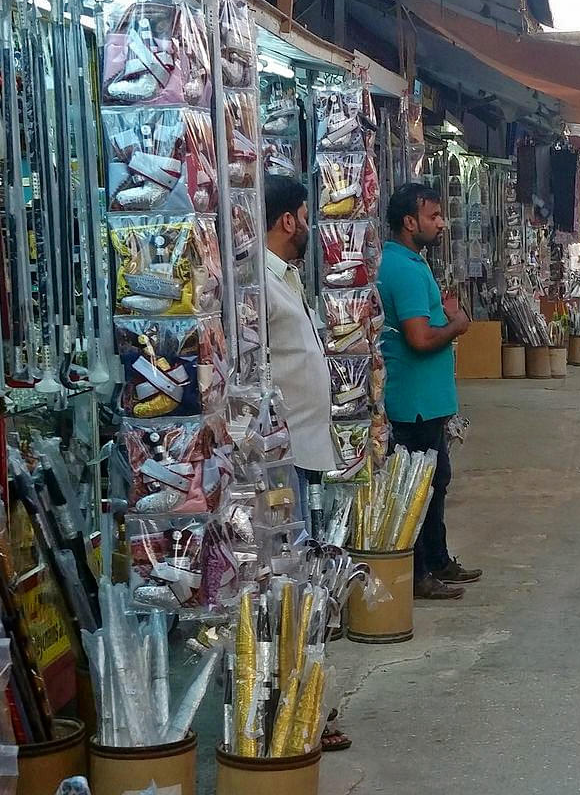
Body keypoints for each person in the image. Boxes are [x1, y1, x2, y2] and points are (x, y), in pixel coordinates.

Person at [262, 176, 350, 752]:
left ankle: (306, 702)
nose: (309, 226)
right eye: (302, 215)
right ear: (289, 220)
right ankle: (291, 710)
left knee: (307, 581)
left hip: (307, 453)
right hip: (281, 461)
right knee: (290, 588)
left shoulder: (284, 278)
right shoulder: (258, 284)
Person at [377, 183, 482, 600]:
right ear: (409, 222)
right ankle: (420, 571)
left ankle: (437, 560)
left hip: (426, 399)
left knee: (436, 482)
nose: (441, 224)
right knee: (419, 488)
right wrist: (456, 324)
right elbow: (419, 339)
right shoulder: (401, 268)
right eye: (433, 216)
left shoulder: (409, 262)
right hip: (413, 401)